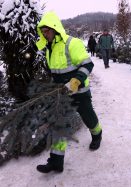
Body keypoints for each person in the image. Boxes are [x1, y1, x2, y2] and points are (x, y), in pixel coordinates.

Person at [35, 11, 102, 173]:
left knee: (88, 116)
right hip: (62, 95)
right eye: (43, 32)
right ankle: (56, 162)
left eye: (47, 31)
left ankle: (97, 134)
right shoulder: (49, 49)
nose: (45, 34)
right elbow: (56, 72)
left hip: (79, 91)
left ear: (55, 28)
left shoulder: (72, 43)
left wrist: (75, 81)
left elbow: (88, 64)